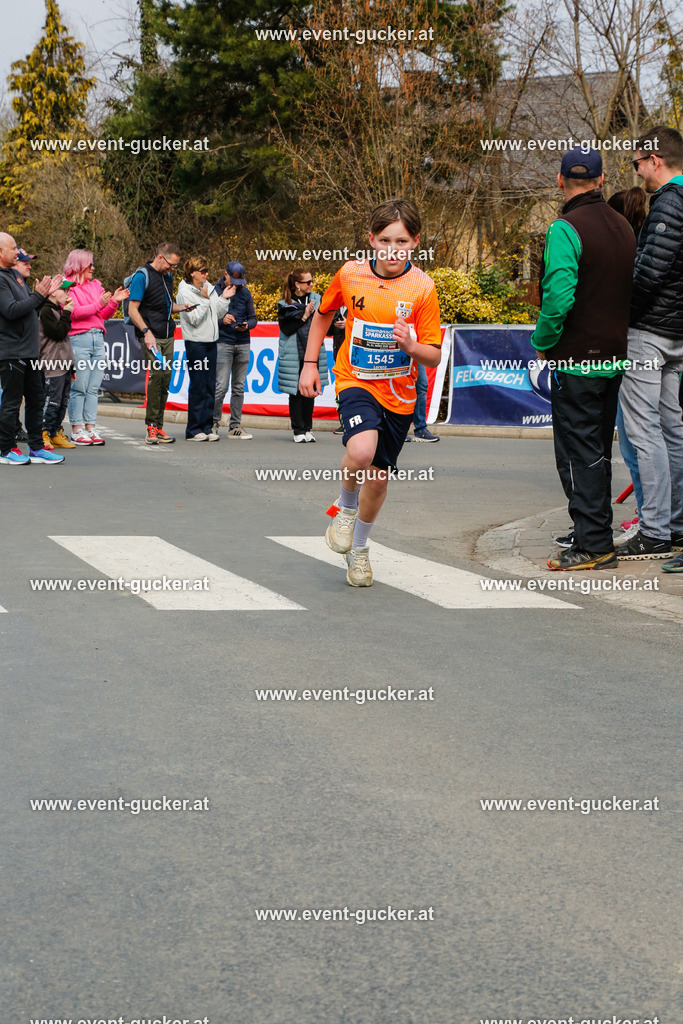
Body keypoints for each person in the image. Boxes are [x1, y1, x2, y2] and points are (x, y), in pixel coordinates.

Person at [299, 197, 443, 587]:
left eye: (401, 241)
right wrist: (311, 364)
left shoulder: (423, 288)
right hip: (355, 380)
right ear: (371, 240)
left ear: (414, 242)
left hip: (398, 393)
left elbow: (433, 354)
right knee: (360, 450)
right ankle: (345, 510)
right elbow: (324, 314)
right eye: (384, 240)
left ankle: (358, 549)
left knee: (378, 480)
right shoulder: (350, 274)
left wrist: (411, 347)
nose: (392, 249)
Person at [530, 147, 636, 571]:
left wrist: (543, 340)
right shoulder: (624, 225)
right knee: (596, 451)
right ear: (602, 179)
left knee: (577, 452)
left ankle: (593, 544)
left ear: (560, 181)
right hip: (613, 357)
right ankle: (595, 531)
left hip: (576, 360)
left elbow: (558, 298)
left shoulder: (564, 229)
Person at [616, 126, 683, 561]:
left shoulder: (668, 204)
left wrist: (619, 314)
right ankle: (674, 527)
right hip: (677, 334)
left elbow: (648, 272)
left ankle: (656, 529)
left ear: (655, 160)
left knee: (646, 433)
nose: (636, 170)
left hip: (650, 334)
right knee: (674, 431)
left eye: (637, 162)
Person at [0, 232, 65, 465]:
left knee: (37, 399)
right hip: (11, 352)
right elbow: (11, 310)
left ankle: (37, 448)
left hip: (30, 352)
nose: (17, 252)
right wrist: (39, 296)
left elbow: (28, 309)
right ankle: (6, 448)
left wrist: (42, 295)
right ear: (0, 252)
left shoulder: (17, 279)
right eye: (13, 248)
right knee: (11, 402)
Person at [606, 187, 647, 539]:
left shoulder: (624, 250)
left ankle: (648, 515)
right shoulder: (642, 244)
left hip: (632, 350)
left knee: (634, 441)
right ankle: (654, 513)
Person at [127, 242, 195, 445]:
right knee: (156, 377)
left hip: (168, 335)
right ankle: (151, 427)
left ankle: (159, 426)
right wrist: (146, 332)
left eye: (175, 266)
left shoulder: (168, 277)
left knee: (166, 380)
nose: (172, 269)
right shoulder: (142, 276)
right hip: (151, 337)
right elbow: (132, 309)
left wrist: (182, 307)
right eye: (171, 264)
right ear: (160, 257)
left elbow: (166, 307)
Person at [64, 250, 128, 446]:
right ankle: (76, 429)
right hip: (79, 339)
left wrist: (114, 302)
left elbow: (104, 315)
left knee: (93, 388)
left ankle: (91, 427)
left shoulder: (96, 285)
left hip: (98, 339)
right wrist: (98, 304)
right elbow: (74, 313)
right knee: (79, 387)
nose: (93, 268)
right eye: (89, 264)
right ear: (79, 265)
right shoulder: (68, 287)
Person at [176, 256, 232, 441]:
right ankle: (193, 429)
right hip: (196, 342)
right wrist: (205, 299)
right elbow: (193, 318)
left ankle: (207, 427)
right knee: (199, 385)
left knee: (210, 386)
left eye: (207, 270)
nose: (206, 274)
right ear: (192, 273)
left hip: (211, 341)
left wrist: (223, 298)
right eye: (203, 271)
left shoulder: (207, 286)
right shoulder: (185, 291)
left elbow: (217, 312)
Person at [278, 269, 329, 442]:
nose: (312, 284)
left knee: (310, 392)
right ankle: (298, 430)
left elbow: (326, 326)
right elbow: (286, 329)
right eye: (308, 282)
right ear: (297, 285)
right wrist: (304, 315)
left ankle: (307, 428)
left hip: (313, 353)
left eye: (312, 281)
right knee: (297, 392)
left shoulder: (318, 298)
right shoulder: (285, 303)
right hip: (295, 354)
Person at [212, 261, 257, 439]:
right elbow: (207, 319)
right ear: (226, 274)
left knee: (238, 387)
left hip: (243, 342)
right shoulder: (215, 291)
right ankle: (213, 423)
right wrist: (223, 320)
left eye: (240, 283)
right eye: (234, 281)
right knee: (221, 386)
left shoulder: (245, 293)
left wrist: (246, 326)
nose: (237, 286)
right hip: (223, 342)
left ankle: (235, 426)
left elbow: (253, 318)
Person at [38, 282, 76, 450]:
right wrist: (67, 313)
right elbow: (58, 333)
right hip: (52, 363)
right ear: (52, 292)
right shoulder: (46, 311)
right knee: (52, 401)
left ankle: (55, 432)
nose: (67, 293)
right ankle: (43, 433)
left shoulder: (59, 311)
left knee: (62, 401)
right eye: (64, 290)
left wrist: (72, 366)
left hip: (65, 364)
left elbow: (66, 341)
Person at [407, 363, 440, 442]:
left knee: (422, 385)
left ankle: (420, 430)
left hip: (416, 354)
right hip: (398, 353)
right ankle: (400, 430)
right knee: (401, 387)